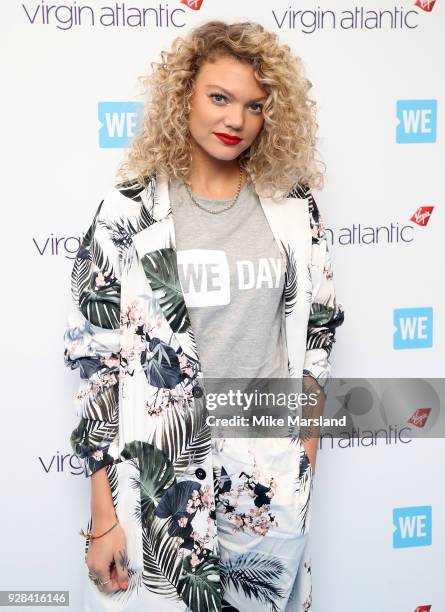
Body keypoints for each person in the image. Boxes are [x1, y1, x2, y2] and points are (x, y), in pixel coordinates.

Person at [64, 19, 344, 612]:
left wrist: (301, 467)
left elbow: (316, 340)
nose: (235, 120)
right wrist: (102, 513)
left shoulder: (293, 211)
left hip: (265, 476)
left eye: (254, 106)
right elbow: (97, 366)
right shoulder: (128, 212)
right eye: (219, 97)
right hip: (163, 483)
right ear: (183, 94)